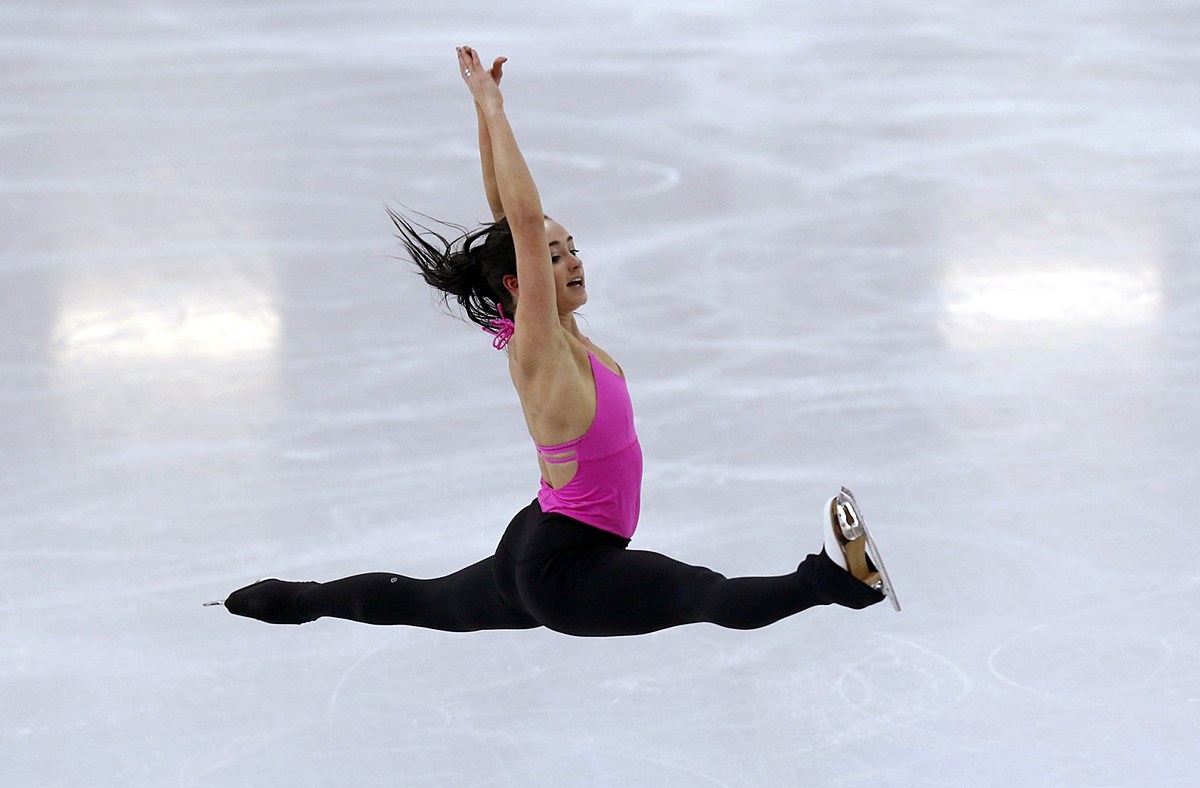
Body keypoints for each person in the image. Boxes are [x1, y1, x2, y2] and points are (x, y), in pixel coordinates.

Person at [216, 46, 893, 636]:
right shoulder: (538, 348)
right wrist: (494, 109)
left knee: (423, 602)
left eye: (573, 249)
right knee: (701, 594)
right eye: (556, 257)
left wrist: (487, 114)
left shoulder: (559, 335)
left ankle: (288, 601)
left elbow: (510, 224)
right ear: (522, 283)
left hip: (539, 538)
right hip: (568, 567)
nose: (572, 262)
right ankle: (836, 583)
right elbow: (522, 218)